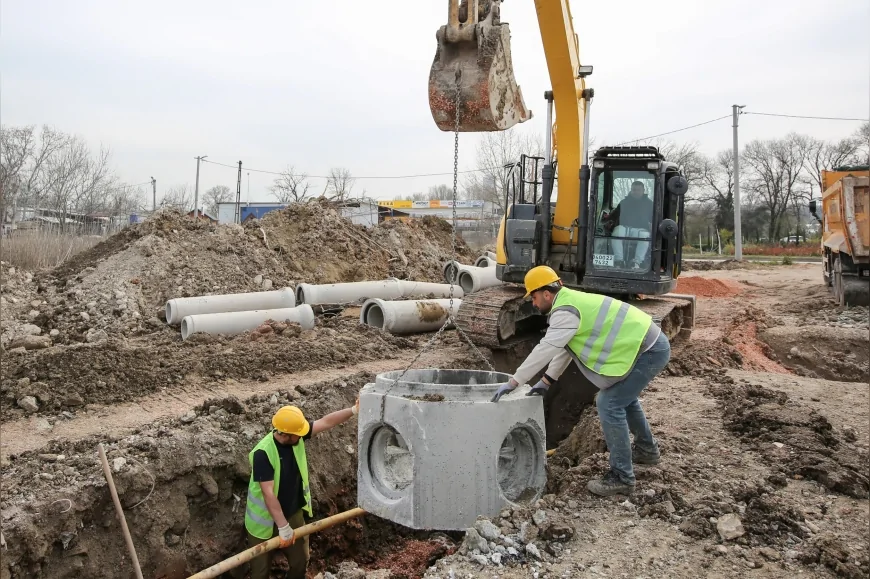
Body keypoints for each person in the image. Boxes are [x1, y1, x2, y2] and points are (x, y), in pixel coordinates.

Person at [490, 265, 670, 497]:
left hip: (648, 350)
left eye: (533, 297)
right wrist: (547, 380)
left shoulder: (564, 311)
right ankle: (647, 450)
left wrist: (514, 382)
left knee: (609, 402)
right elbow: (566, 348)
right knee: (622, 398)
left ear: (547, 294)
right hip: (648, 345)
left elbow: (547, 348)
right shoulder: (569, 302)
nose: (533, 303)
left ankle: (622, 477)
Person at [245, 401, 359, 579]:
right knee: (260, 572)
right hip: (263, 522)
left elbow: (326, 422)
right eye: (298, 434)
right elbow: (268, 494)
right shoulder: (263, 453)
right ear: (286, 434)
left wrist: (353, 410)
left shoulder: (295, 435)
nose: (302, 435)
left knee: (300, 561)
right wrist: (283, 527)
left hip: (293, 513)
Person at [604, 181, 654, 269]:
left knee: (645, 236)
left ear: (643, 190)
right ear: (631, 190)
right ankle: (619, 260)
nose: (636, 192)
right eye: (634, 190)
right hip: (625, 228)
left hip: (641, 230)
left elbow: (654, 218)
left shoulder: (650, 204)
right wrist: (607, 219)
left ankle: (637, 262)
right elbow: (614, 215)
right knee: (617, 232)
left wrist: (652, 225)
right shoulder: (624, 202)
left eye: (638, 190)